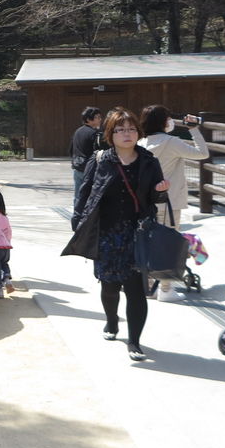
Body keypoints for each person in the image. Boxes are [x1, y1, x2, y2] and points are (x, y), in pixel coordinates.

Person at [63, 108, 170, 362]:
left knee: (135, 289)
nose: (127, 134)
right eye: (120, 129)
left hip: (137, 234)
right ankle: (112, 321)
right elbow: (85, 194)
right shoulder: (100, 160)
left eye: (131, 129)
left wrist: (160, 191)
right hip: (107, 234)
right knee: (110, 287)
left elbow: (155, 198)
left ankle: (134, 342)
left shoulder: (149, 161)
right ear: (110, 134)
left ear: (138, 133)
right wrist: (78, 222)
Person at [138, 105, 209, 302]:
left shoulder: (141, 143)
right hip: (170, 202)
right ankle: (166, 289)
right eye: (168, 118)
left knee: (150, 243)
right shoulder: (171, 142)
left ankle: (150, 285)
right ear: (163, 122)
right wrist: (194, 129)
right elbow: (202, 153)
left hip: (148, 202)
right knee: (167, 244)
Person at [69, 107, 103, 197]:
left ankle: (77, 211)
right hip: (90, 169)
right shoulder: (94, 133)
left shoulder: (77, 131)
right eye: (97, 117)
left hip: (77, 167)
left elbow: (71, 150)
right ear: (88, 119)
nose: (100, 119)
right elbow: (98, 151)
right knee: (89, 197)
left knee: (78, 196)